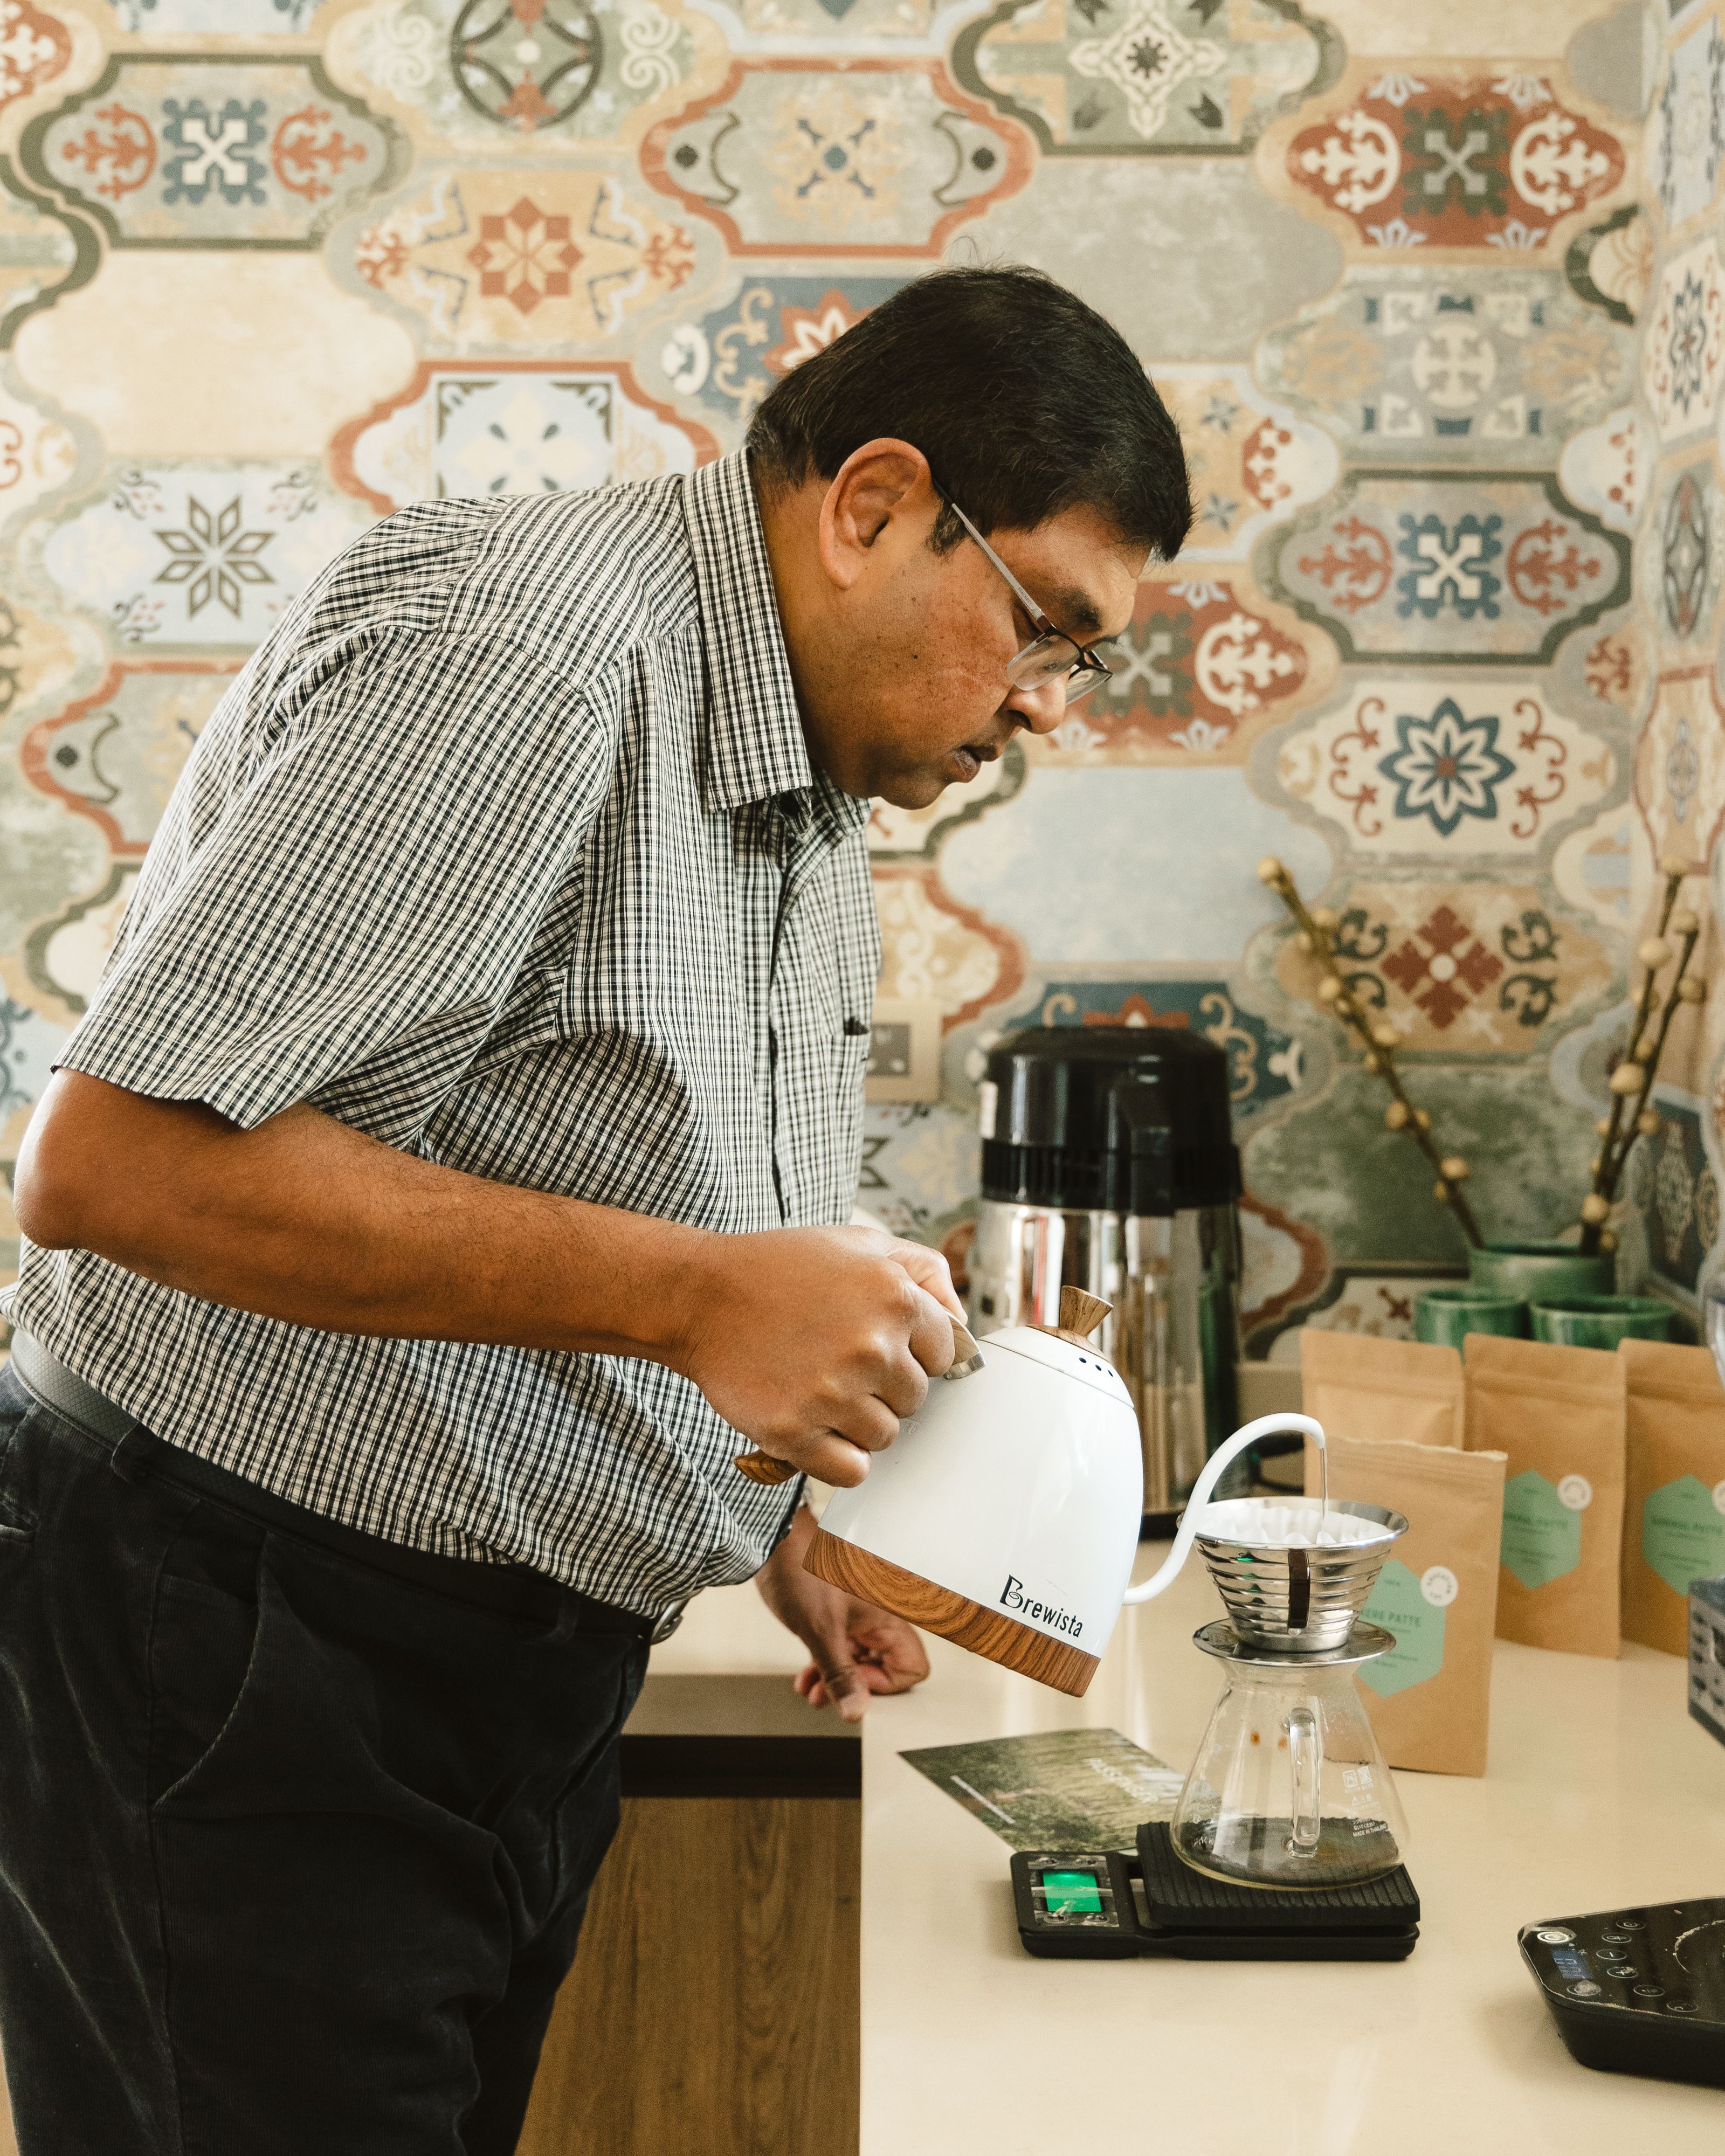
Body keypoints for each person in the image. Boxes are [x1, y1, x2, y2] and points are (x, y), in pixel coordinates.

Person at [0, 263, 1191, 2153]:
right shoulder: (532, 656)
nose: (1045, 705)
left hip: (485, 1668)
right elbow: (110, 1165)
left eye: (1081, 661)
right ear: (873, 505)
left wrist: (782, 1487)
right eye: (1045, 627)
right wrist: (701, 1308)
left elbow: (654, 1156)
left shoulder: (801, 745)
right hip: (246, 1631)